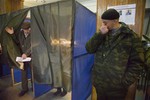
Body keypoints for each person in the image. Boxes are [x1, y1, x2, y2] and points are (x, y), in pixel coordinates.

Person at [85, 9, 144, 100]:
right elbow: (89, 49)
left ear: (115, 21)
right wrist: (100, 34)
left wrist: (124, 82)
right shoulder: (102, 33)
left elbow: (138, 63)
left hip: (117, 88)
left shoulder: (130, 37)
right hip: (100, 84)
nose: (103, 25)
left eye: (105, 23)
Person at [5, 22, 31, 97]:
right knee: (23, 73)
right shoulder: (21, 33)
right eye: (24, 29)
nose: (26, 31)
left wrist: (26, 53)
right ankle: (24, 89)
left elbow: (34, 44)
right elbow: (17, 41)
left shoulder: (34, 34)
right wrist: (12, 33)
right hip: (23, 57)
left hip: (31, 56)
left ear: (30, 28)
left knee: (33, 73)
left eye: (27, 29)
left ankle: (34, 87)